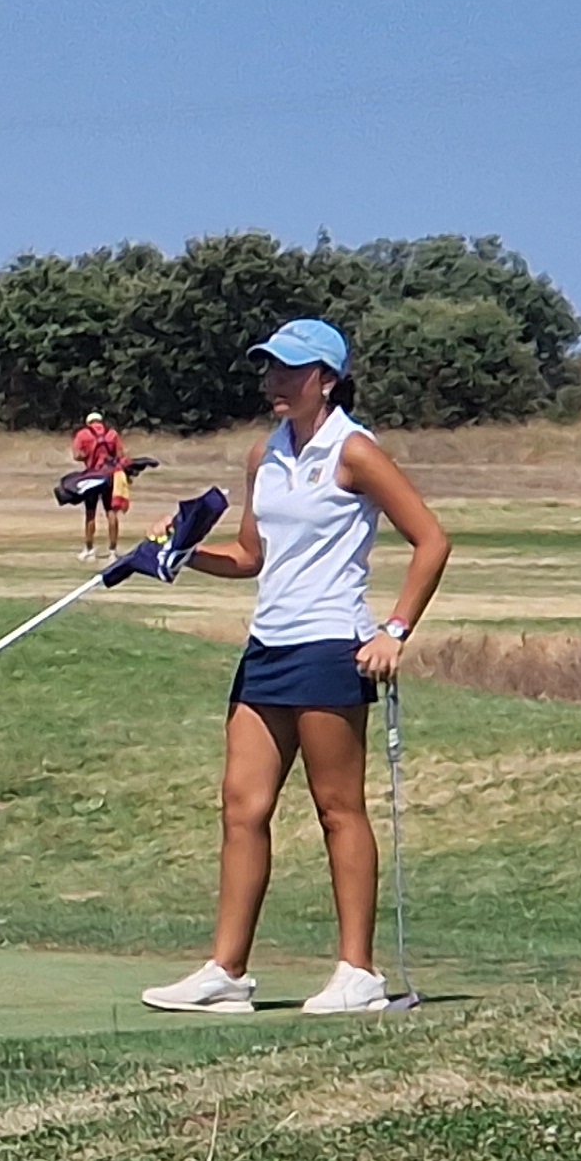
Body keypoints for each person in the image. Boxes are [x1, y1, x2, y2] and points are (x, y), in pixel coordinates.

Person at [141, 319, 451, 1018]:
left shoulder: (357, 451)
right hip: (267, 647)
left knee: (337, 809)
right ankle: (227, 971)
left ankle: (358, 972)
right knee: (241, 807)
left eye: (290, 369)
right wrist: (180, 555)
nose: (274, 381)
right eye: (269, 368)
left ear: (327, 379)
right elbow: (252, 557)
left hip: (329, 645)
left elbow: (432, 539)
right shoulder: (266, 454)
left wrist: (394, 631)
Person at [68, 412, 130, 555]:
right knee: (111, 512)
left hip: (92, 476)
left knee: (90, 513)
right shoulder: (112, 434)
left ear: (88, 422)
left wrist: (88, 456)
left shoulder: (83, 434)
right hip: (110, 476)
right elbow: (120, 455)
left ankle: (89, 549)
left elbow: (77, 455)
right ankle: (113, 550)